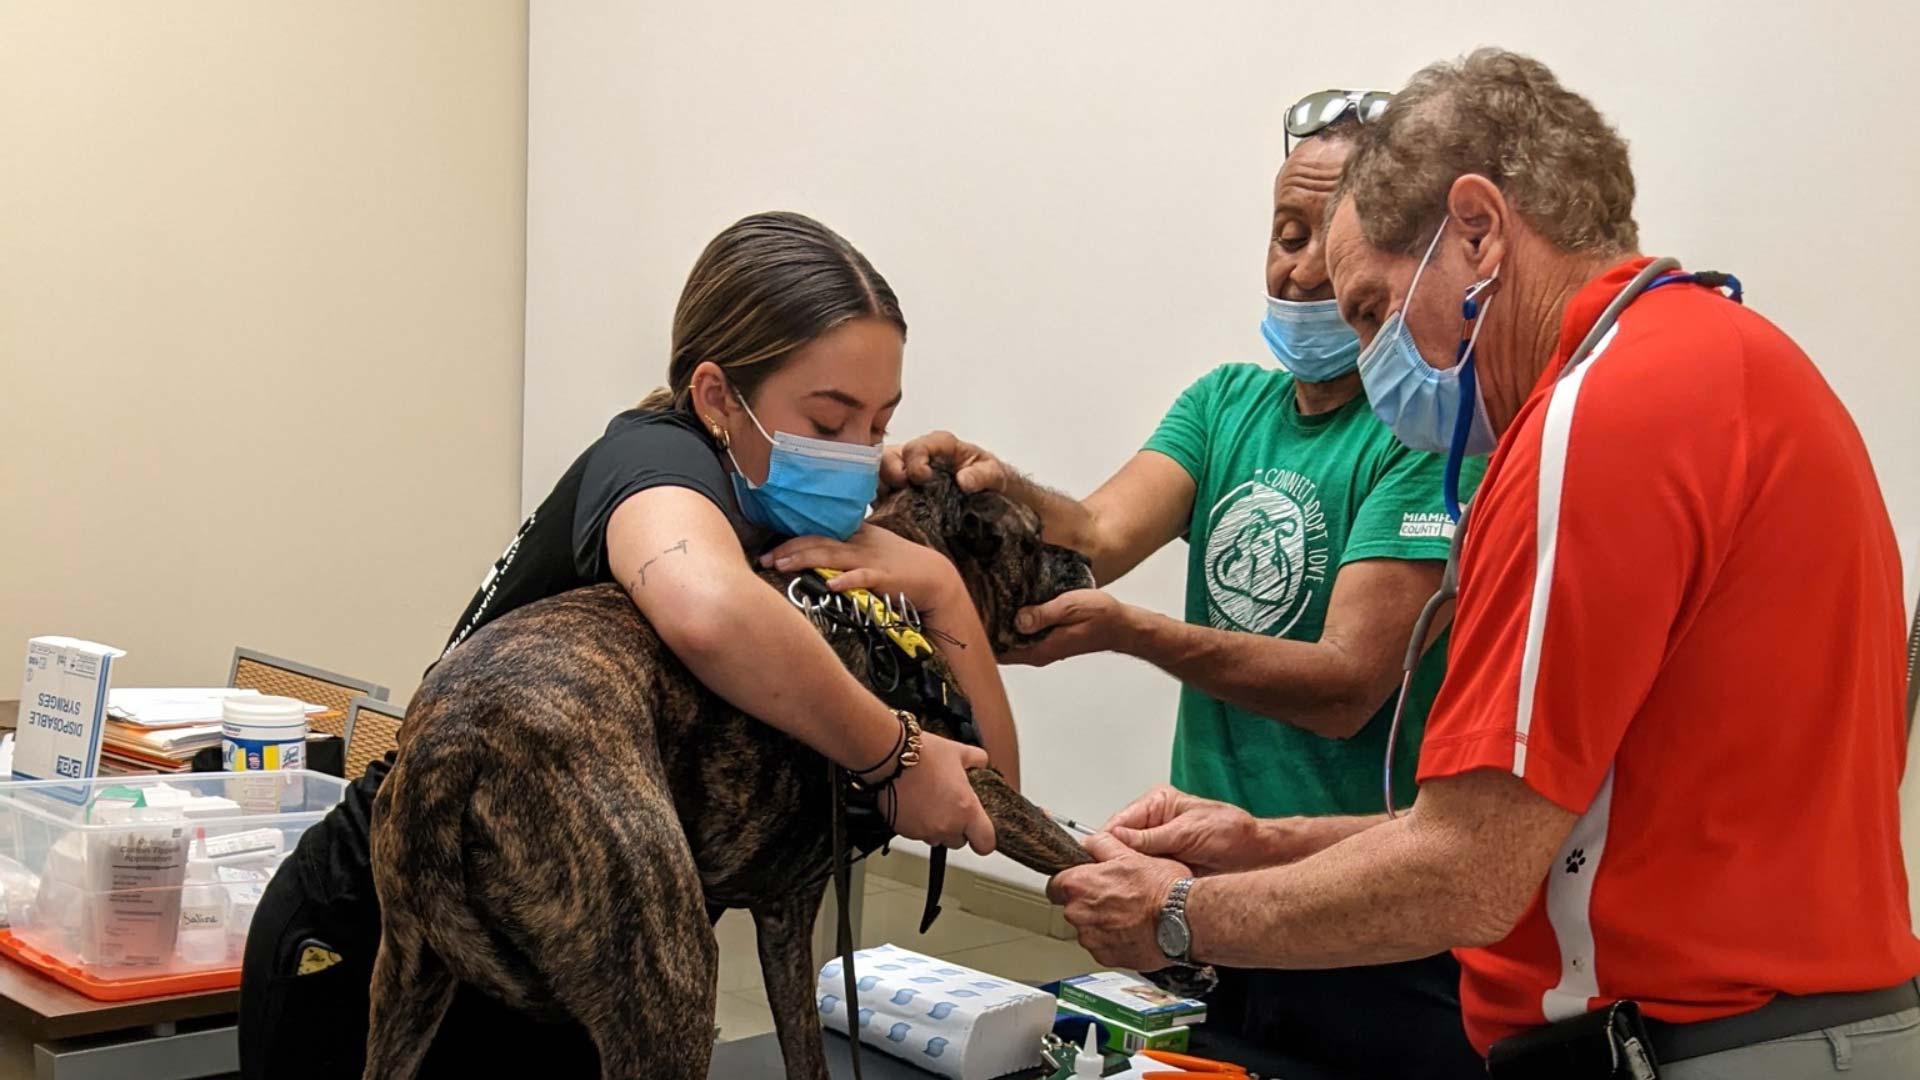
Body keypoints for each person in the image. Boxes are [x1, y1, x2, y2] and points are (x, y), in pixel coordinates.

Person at [1049, 49, 1920, 1078]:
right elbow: (1545, 828)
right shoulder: (1738, 364)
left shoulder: (1594, 419)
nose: (1373, 359)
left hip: (1693, 1042)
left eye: (1372, 309)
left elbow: (1467, 873)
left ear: (1477, 230)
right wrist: (1261, 843)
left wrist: (1181, 917)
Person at [239, 212, 1021, 1078]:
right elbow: (706, 609)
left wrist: (940, 587)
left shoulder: (804, 538)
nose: (858, 458)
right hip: (386, 921)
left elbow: (992, 792)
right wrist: (893, 754)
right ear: (719, 397)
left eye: (878, 427)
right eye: (827, 424)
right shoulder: (655, 458)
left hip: (570, 948)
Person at [890, 91, 1484, 1078]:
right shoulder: (1223, 403)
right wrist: (984, 490)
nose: (1300, 268)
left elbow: (1345, 686)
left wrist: (1133, 634)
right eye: (1284, 234)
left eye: (1330, 243)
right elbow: (1094, 532)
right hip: (1202, 896)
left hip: (1359, 912)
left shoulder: (1421, 441)